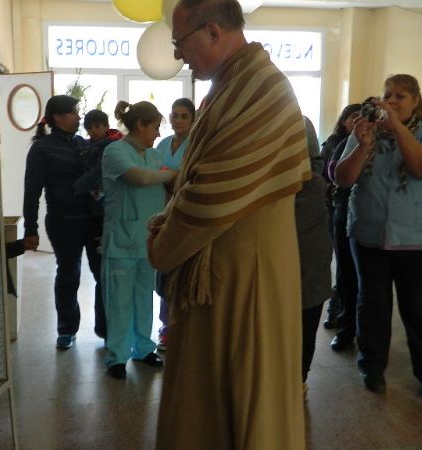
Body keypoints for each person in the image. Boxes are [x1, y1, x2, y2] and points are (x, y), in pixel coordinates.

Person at [148, 1, 309, 448]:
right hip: (222, 269)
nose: (179, 55)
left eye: (180, 42)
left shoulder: (264, 87)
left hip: (247, 276)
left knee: (243, 397)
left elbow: (212, 194)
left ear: (213, 31)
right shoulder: (233, 83)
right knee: (208, 401)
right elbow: (196, 184)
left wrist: (164, 242)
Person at [335, 74, 422, 401]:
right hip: (368, 234)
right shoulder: (365, 131)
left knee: (419, 309)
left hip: (416, 238)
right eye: (388, 95)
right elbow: (343, 178)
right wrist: (362, 145)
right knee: (372, 304)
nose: (393, 101)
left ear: (415, 101)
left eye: (401, 96)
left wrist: (397, 128)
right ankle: (371, 368)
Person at [22, 95, 105, 349]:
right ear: (57, 117)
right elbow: (31, 191)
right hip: (63, 223)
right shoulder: (41, 148)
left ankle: (106, 329)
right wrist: (31, 229)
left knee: (102, 274)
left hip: (92, 222)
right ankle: (67, 329)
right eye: (73, 112)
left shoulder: (83, 143)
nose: (79, 117)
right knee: (69, 275)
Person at [101, 100, 174, 379]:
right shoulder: (115, 151)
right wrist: (170, 175)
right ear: (140, 125)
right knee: (119, 302)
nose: (157, 134)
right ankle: (117, 357)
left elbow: (159, 180)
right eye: (155, 127)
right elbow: (140, 178)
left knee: (144, 297)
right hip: (121, 240)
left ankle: (144, 349)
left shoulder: (154, 155)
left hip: (147, 241)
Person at [153, 97, 196, 351]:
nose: (178, 120)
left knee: (183, 272)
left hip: (185, 214)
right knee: (164, 272)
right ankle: (167, 326)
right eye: (175, 115)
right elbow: (152, 169)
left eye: (184, 116)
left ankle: (183, 327)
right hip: (162, 212)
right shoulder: (163, 143)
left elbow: (192, 177)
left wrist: (171, 179)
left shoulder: (196, 145)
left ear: (193, 120)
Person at [297, 116, 333, 392]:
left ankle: (299, 378)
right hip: (300, 271)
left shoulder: (310, 186)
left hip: (307, 267)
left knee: (304, 323)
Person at [320, 103, 363, 330]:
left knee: (354, 271)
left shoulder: (371, 143)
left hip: (358, 211)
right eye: (352, 117)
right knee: (344, 266)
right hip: (337, 207)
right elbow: (329, 173)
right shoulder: (335, 144)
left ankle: (350, 317)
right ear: (344, 120)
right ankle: (337, 310)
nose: (356, 121)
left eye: (361, 117)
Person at [74, 109, 124, 205]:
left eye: (97, 126)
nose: (93, 130)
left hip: (106, 191)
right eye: (89, 128)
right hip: (94, 192)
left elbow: (100, 169)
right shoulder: (88, 145)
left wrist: (78, 185)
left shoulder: (109, 145)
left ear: (107, 127)